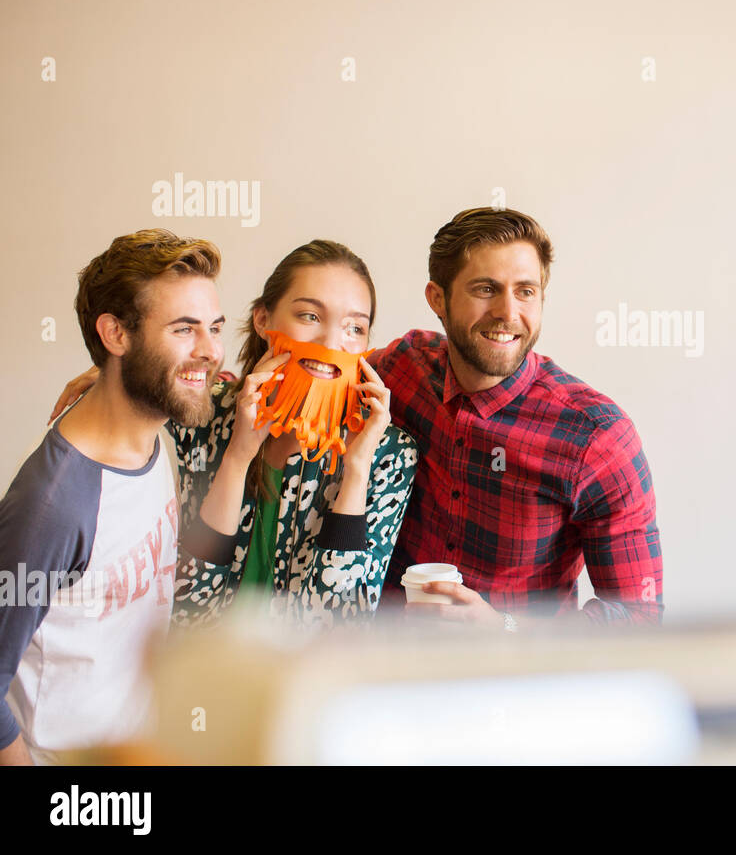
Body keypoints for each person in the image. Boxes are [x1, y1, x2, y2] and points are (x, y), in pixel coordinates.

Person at [51, 241, 418, 628]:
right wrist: (237, 455)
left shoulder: (389, 454)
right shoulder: (202, 415)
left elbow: (335, 627)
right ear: (263, 320)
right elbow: (190, 605)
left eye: (354, 327)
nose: (330, 343)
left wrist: (357, 471)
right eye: (310, 316)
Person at [368, 207, 662, 628]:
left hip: (514, 681)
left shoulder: (598, 437)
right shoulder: (402, 368)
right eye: (486, 289)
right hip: (384, 666)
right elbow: (320, 371)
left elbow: (640, 618)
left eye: (525, 291)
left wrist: (505, 630)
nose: (508, 313)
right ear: (437, 298)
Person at [1, 230, 223, 765]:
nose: (210, 351)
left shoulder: (158, 430)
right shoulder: (55, 504)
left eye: (213, 327)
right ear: (115, 334)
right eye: (183, 329)